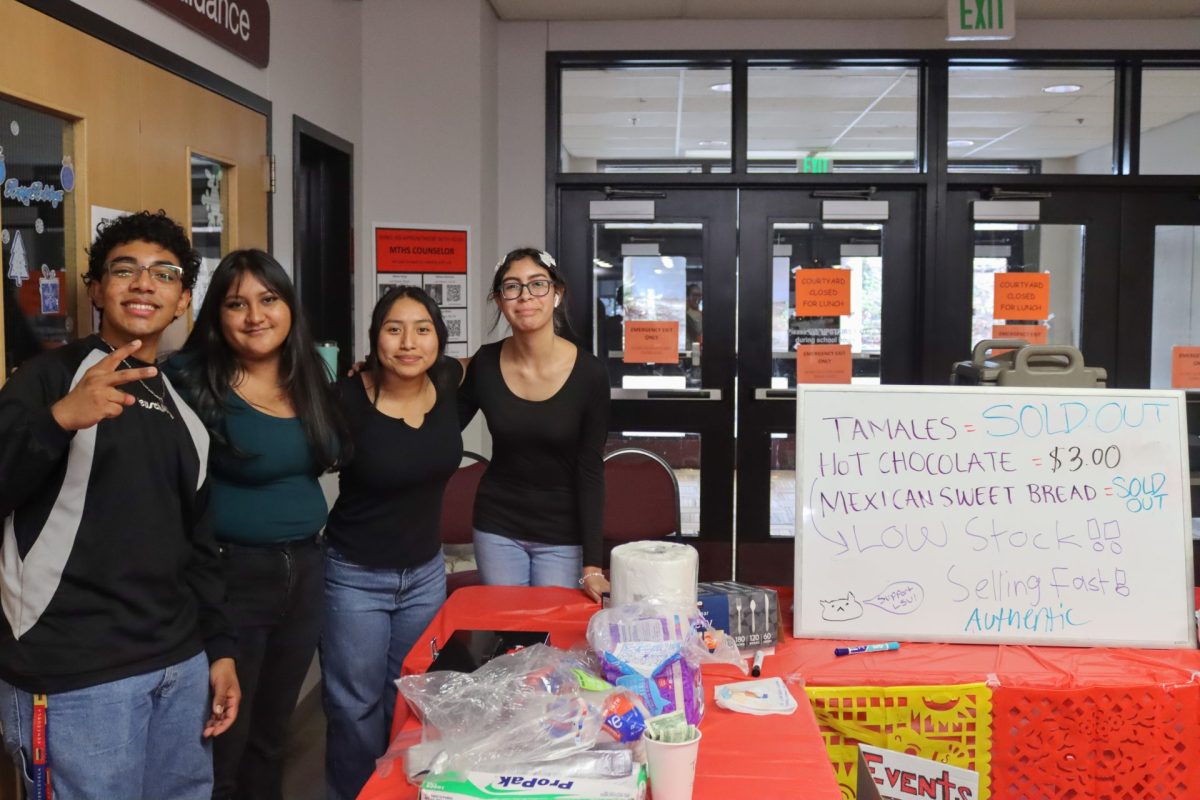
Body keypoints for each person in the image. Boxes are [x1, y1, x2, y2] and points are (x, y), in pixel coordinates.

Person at [0, 210, 239, 800]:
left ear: (183, 298)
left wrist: (220, 650)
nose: (143, 283)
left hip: (178, 664)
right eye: (125, 269)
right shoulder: (49, 379)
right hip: (76, 671)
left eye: (163, 274)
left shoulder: (184, 409)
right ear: (96, 289)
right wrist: (59, 421)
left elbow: (200, 547)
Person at [165, 250, 346, 800]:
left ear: (289, 306)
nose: (255, 316)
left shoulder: (312, 371)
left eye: (268, 300)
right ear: (216, 315)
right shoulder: (190, 380)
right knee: (225, 735)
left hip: (306, 569)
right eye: (236, 303)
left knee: (273, 732)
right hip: (230, 577)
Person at [321, 285, 463, 800]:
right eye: (393, 328)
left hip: (426, 573)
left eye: (422, 329)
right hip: (354, 574)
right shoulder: (344, 400)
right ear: (374, 339)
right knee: (353, 706)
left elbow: (481, 365)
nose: (409, 342)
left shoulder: (448, 382)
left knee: (410, 699)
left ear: (438, 341)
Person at [460, 247, 611, 603]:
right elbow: (441, 430)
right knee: (507, 636)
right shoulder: (484, 364)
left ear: (556, 294)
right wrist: (381, 377)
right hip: (497, 526)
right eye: (512, 286)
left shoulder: (590, 374)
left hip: (562, 533)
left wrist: (592, 563)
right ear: (499, 301)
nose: (525, 295)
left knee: (550, 641)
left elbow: (591, 470)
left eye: (537, 284)